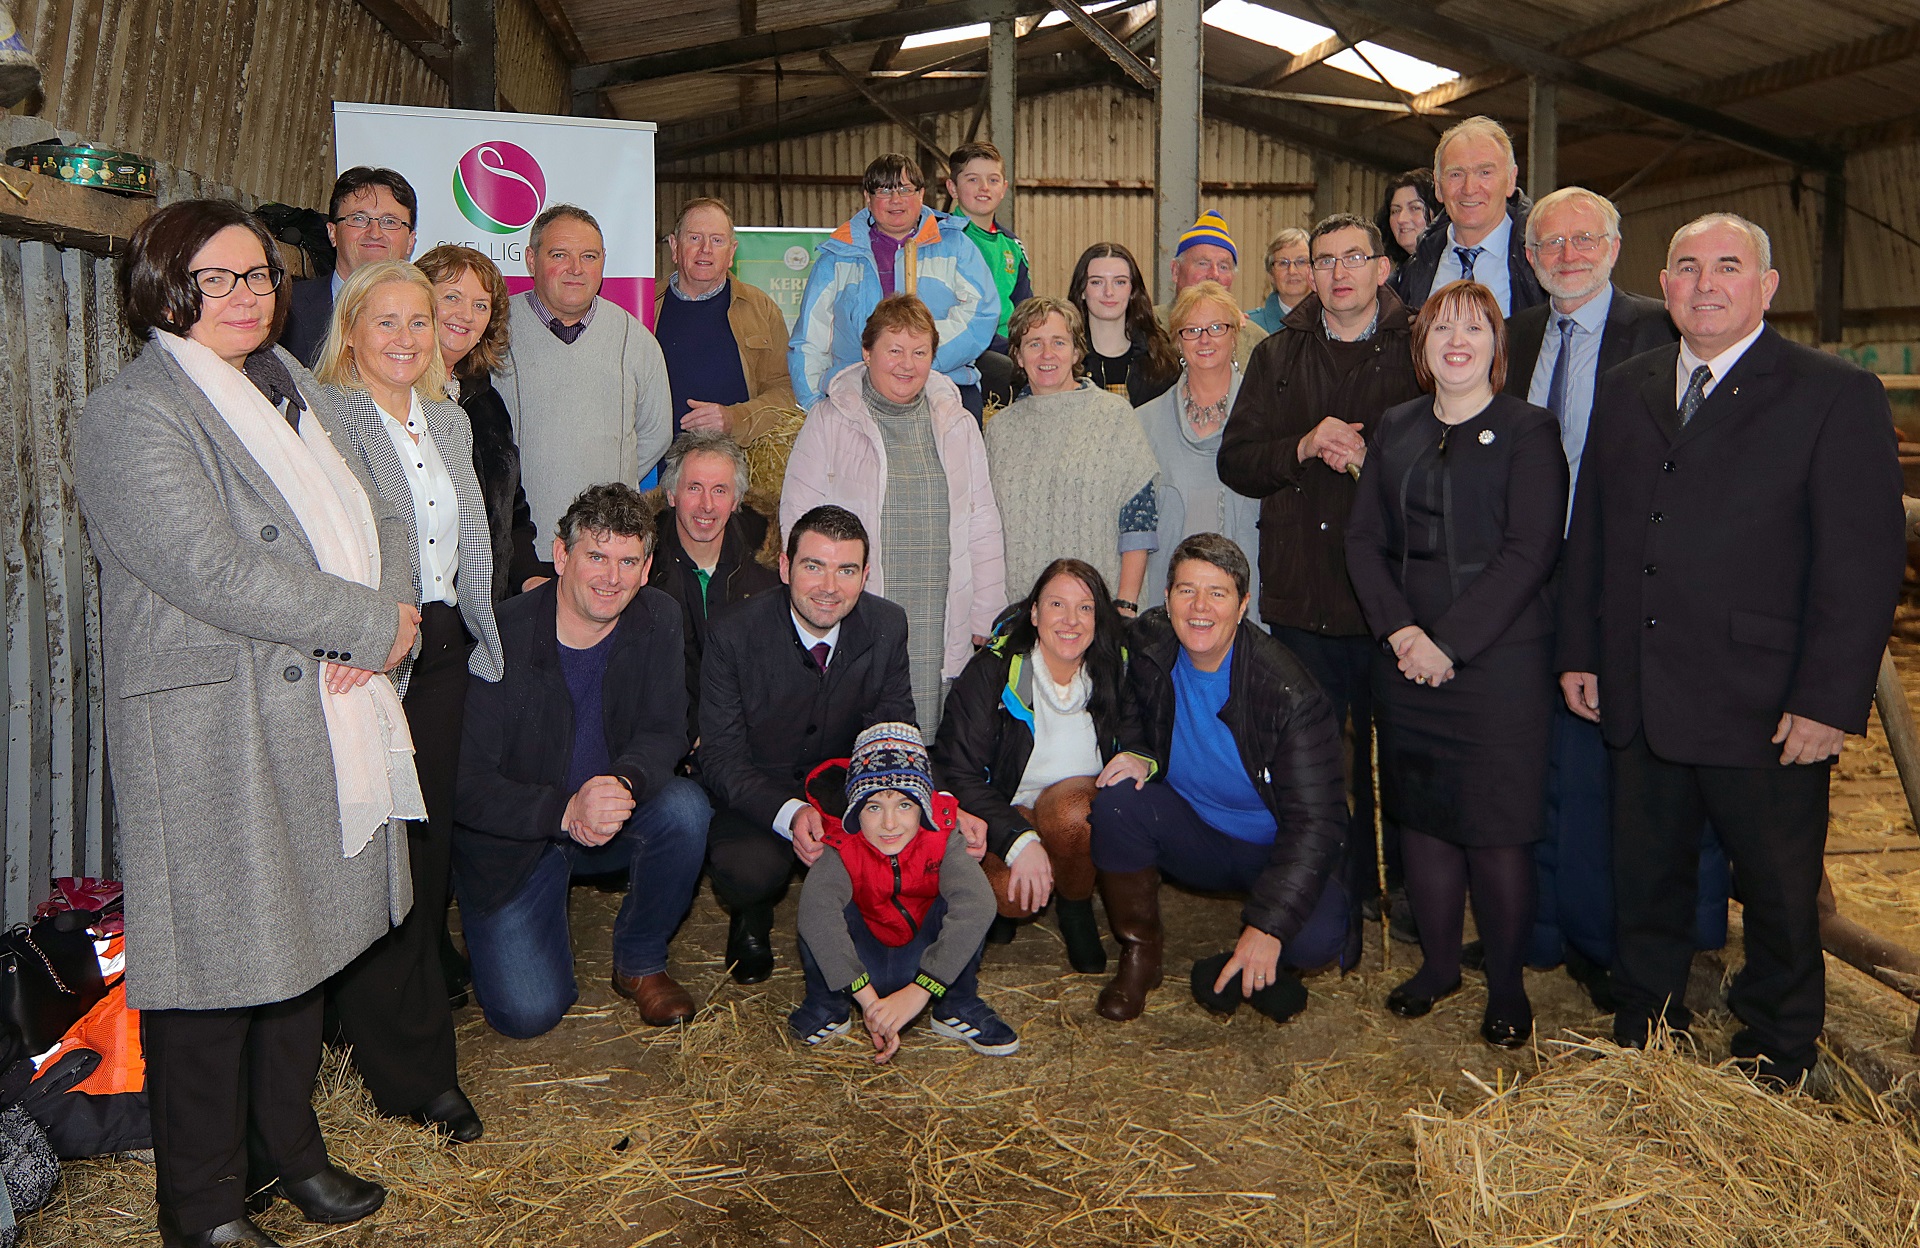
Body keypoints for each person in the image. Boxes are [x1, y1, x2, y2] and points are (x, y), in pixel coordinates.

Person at [77, 198, 418, 1248]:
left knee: (300, 952)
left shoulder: (292, 392)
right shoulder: (136, 413)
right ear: (163, 290)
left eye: (258, 277)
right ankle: (203, 1211)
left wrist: (383, 621)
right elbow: (213, 571)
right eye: (216, 279)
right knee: (217, 980)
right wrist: (366, 624)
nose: (243, 296)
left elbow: (382, 514)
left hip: (312, 706)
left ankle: (290, 1157)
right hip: (212, 728)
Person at [1559, 213, 1906, 1086]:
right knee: (1645, 878)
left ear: (1767, 286)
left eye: (1727, 265)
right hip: (1641, 688)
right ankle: (1648, 1030)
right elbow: (1594, 534)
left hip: (1768, 703)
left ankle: (1777, 1054)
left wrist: (1829, 702)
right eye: (1686, 267)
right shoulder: (1631, 384)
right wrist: (1582, 651)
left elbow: (1860, 565)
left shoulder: (1829, 393)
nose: (1705, 282)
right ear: (1664, 285)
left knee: (1781, 896)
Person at [1502, 187, 1723, 1001]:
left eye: (1582, 240)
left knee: (1630, 758)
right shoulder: (1515, 336)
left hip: (1631, 579)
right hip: (1532, 578)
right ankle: (1552, 922)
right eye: (1549, 245)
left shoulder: (1662, 332)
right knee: (1547, 760)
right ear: (1529, 260)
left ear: (1616, 247)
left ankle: (1642, 937)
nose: (1567, 256)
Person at [1345, 280, 1568, 1050]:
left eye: (1474, 328)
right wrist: (1402, 632)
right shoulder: (1397, 424)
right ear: (1423, 345)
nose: (1457, 340)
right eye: (1442, 328)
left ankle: (1506, 988)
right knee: (1425, 824)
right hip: (1405, 664)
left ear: (1496, 346)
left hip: (1499, 668)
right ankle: (1439, 966)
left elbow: (1531, 550)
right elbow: (1363, 541)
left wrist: (1450, 643)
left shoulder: (1530, 431)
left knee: (1497, 833)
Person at [315, 259, 505, 1145]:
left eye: (419, 322)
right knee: (372, 851)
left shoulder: (451, 422)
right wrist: (353, 636)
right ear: (350, 329)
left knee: (426, 857)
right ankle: (408, 1066)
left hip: (439, 654)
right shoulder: (322, 419)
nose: (405, 338)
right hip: (367, 657)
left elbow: (468, 540)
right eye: (384, 322)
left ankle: (404, 1045)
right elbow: (322, 546)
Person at [1217, 212, 1425, 939]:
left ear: (1380, 268)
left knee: (1401, 756)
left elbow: (1449, 465)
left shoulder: (1420, 348)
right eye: (1324, 260)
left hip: (1394, 599)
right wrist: (1302, 444)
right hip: (1304, 591)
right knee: (1313, 763)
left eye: (1353, 258)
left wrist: (1376, 465)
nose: (1338, 273)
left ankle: (1405, 896)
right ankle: (1333, 892)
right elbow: (1236, 462)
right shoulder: (1278, 355)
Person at [453, 484, 713, 1036]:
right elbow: (467, 784)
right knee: (528, 1014)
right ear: (561, 555)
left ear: (646, 570)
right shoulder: (500, 633)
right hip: (522, 835)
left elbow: (667, 730)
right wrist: (565, 811)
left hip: (608, 814)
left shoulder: (658, 619)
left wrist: (622, 782)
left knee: (687, 809)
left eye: (627, 561)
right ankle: (499, 929)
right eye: (596, 555)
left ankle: (640, 960)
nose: (610, 577)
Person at [1090, 534, 1351, 1026]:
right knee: (1116, 803)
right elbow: (1130, 710)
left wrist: (1267, 926)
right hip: (1195, 830)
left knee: (1317, 936)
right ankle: (1140, 958)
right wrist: (1142, 754)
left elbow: (1318, 824)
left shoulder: (1291, 693)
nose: (1200, 607)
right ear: (1166, 600)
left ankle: (1249, 966)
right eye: (1186, 590)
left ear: (1244, 604)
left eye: (1218, 592)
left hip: (1274, 845)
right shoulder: (1150, 642)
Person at [697, 506, 919, 984]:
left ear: (864, 576)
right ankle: (751, 915)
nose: (828, 587)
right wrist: (790, 811)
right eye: (813, 566)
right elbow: (719, 756)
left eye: (845, 570)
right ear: (784, 567)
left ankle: (864, 919)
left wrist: (875, 811)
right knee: (749, 868)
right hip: (761, 790)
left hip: (845, 789)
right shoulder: (732, 633)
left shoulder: (887, 626)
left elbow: (893, 732)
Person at [780, 294, 1006, 731]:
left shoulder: (958, 424)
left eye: (920, 352)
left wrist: (986, 611)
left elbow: (982, 520)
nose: (907, 364)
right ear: (867, 353)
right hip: (858, 608)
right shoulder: (828, 420)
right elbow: (798, 518)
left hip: (938, 607)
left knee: (934, 738)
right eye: (894, 350)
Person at [934, 559, 1130, 973]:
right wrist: (1019, 840)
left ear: (1099, 617)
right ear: (1035, 614)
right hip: (1007, 807)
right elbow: (959, 770)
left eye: (1085, 608)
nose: (1071, 621)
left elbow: (1145, 734)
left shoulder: (1115, 669)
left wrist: (1140, 758)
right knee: (1010, 894)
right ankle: (1011, 908)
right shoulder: (993, 670)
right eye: (1057, 605)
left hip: (1073, 808)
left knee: (1075, 814)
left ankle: (1076, 908)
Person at [792, 722, 1016, 1058]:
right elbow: (815, 915)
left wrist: (920, 991)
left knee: (969, 899)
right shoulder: (841, 845)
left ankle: (955, 1003)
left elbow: (979, 905)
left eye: (904, 805)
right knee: (819, 905)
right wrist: (870, 1005)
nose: (890, 823)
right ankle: (829, 1004)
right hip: (860, 966)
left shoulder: (944, 838)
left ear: (923, 807)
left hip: (924, 963)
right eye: (874, 807)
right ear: (855, 811)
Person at [498, 203, 672, 543]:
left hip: (605, 547)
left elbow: (656, 432)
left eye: (589, 257)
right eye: (560, 255)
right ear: (532, 260)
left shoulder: (634, 339)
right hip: (517, 546)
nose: (576, 269)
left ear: (603, 261)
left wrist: (609, 483)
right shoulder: (494, 333)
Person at [986, 295, 1160, 617]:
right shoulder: (999, 431)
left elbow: (1139, 520)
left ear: (1077, 351)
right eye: (1034, 343)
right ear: (1018, 356)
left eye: (1058, 342)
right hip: (1025, 614)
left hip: (1100, 611)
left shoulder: (1114, 416)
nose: (1047, 354)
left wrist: (1125, 604)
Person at [789, 153, 1001, 417]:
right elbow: (811, 338)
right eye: (883, 190)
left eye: (905, 189)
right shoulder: (836, 258)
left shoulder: (956, 247)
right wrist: (813, 404)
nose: (896, 199)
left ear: (921, 194)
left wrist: (916, 360)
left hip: (945, 384)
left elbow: (982, 313)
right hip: (856, 394)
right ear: (867, 198)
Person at [417, 243, 550, 602]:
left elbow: (511, 507)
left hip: (489, 614)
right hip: (423, 614)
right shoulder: (397, 399)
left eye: (480, 305)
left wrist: (528, 577)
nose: (466, 315)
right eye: (452, 297)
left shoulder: (485, 398)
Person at [1137, 280, 1261, 618]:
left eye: (1216, 327)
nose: (1204, 339)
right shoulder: (1143, 424)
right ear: (1177, 341)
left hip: (1248, 599)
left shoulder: (1267, 417)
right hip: (1167, 601)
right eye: (1191, 330)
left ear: (1235, 335)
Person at [646, 429, 779, 739]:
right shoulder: (640, 569)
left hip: (748, 746)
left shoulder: (769, 568)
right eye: (694, 488)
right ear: (671, 494)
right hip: (674, 749)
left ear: (736, 500)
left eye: (720, 490)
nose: (707, 505)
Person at [652, 196, 800, 443]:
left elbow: (785, 391)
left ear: (731, 252)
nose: (706, 249)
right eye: (695, 238)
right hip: (657, 472)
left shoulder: (760, 309)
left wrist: (735, 419)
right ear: (674, 246)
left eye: (717, 240)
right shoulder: (644, 309)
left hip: (735, 469)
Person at [1393, 117, 1546, 317]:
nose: (1469, 188)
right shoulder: (1414, 270)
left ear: (1510, 180)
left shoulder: (1542, 263)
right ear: (1438, 187)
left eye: (1484, 172)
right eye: (1456, 174)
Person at [281, 166, 417, 366]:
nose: (375, 232)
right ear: (332, 233)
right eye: (358, 219)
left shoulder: (433, 317)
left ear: (411, 241)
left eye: (390, 221)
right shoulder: (285, 308)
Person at [944, 140, 1030, 408]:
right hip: (966, 347)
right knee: (1003, 369)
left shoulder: (1012, 246)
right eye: (972, 179)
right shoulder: (942, 239)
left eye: (993, 180)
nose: (984, 188)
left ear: (1004, 188)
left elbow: (1024, 307)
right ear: (952, 188)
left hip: (1008, 345)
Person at [1069, 241, 1179, 406]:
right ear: (1082, 291)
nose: (1109, 292)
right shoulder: (1064, 361)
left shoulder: (1162, 362)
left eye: (1119, 282)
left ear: (1132, 290)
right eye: (1096, 282)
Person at [1155, 210, 1267, 368]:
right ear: (1175, 270)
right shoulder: (1147, 327)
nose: (1214, 274)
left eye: (1223, 266)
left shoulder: (1256, 340)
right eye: (1203, 263)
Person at [1247, 227, 1312, 333]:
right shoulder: (1251, 327)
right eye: (1283, 263)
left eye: (1301, 262)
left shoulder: (1334, 323)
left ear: (1314, 270)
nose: (1292, 271)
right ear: (1271, 275)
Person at [1376, 169, 1439, 274]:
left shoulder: (1452, 270)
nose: (1401, 219)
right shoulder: (1395, 279)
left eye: (1415, 208)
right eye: (1395, 210)